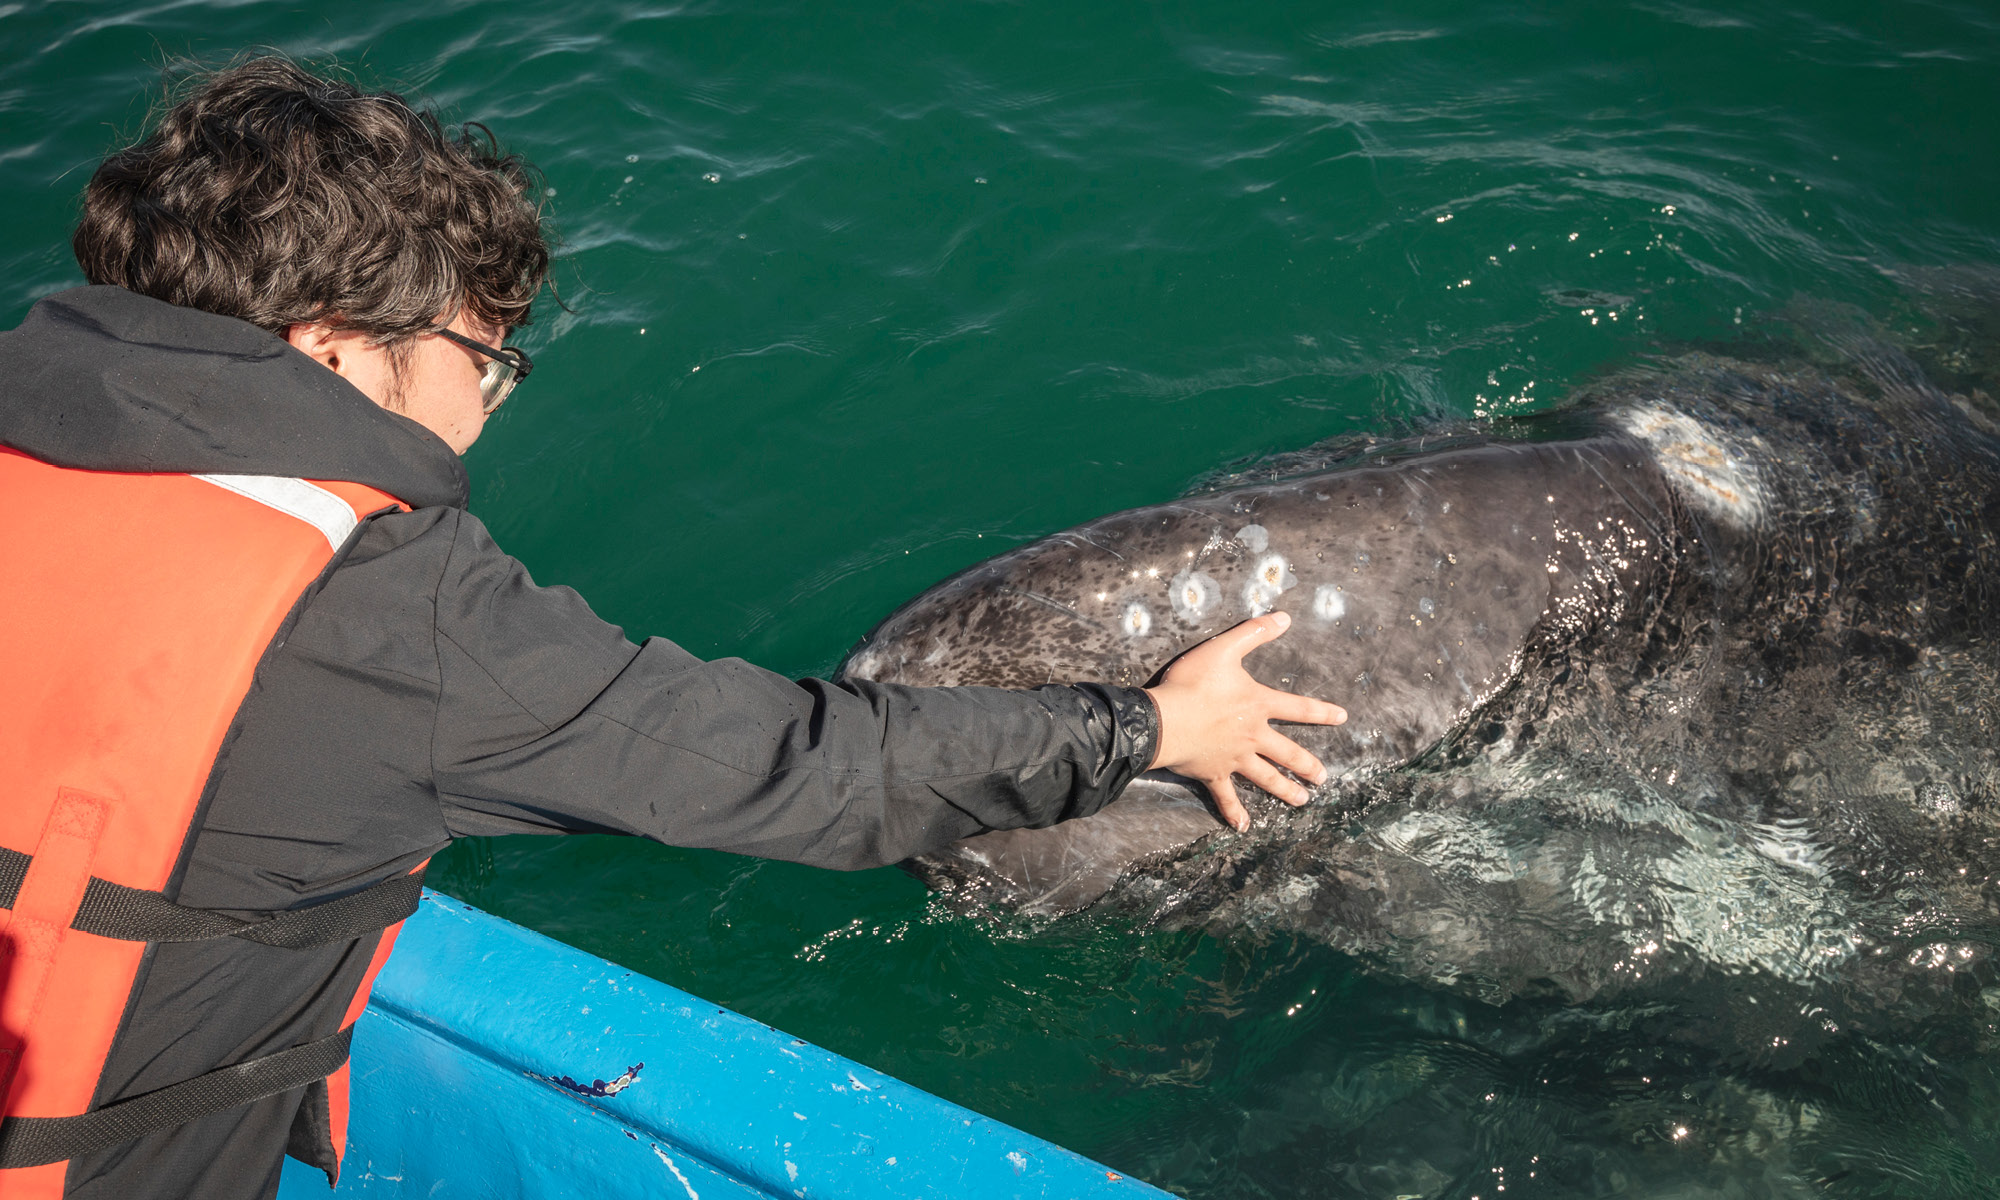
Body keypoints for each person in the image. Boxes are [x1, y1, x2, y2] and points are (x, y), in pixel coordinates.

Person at [0, 55, 1344, 1199]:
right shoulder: (387, 610)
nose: (485, 412)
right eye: (485, 362)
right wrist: (1155, 724)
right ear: (343, 345)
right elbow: (803, 769)